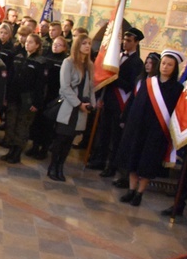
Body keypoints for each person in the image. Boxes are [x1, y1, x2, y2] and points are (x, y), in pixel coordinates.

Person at [116, 50, 184, 207]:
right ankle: (131, 190)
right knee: (133, 159)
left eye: (170, 65)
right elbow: (137, 104)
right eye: (164, 63)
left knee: (147, 163)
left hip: (157, 132)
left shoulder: (177, 89)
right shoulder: (149, 83)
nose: (166, 67)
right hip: (139, 128)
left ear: (174, 68)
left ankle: (140, 193)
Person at [88, 28, 145, 177]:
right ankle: (99, 159)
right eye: (124, 40)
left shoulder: (137, 63)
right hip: (107, 100)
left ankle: (111, 166)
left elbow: (131, 85)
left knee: (115, 136)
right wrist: (100, 97)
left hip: (121, 103)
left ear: (136, 42)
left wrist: (113, 77)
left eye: (129, 41)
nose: (125, 43)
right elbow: (104, 80)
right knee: (103, 132)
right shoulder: (117, 56)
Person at [48, 34, 95, 181]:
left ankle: (60, 166)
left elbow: (91, 88)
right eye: (84, 43)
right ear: (77, 45)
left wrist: (91, 104)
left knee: (69, 141)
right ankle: (53, 167)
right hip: (69, 107)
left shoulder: (90, 65)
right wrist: (78, 104)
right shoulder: (68, 62)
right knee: (61, 139)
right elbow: (65, 87)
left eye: (89, 43)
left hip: (81, 110)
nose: (87, 46)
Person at [1, 33, 47, 164]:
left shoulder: (40, 62)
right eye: (27, 41)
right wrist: (7, 96)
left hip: (28, 99)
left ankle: (17, 152)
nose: (28, 44)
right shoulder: (19, 57)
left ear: (37, 45)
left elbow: (40, 85)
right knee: (11, 123)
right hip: (14, 96)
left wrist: (37, 102)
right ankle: (10, 150)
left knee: (22, 126)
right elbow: (10, 78)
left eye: (31, 42)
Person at [29, 34, 69, 159]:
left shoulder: (65, 61)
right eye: (54, 44)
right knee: (37, 122)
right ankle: (35, 146)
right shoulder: (45, 57)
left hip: (54, 95)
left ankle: (44, 149)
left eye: (59, 45)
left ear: (64, 48)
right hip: (43, 94)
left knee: (48, 125)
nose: (55, 47)